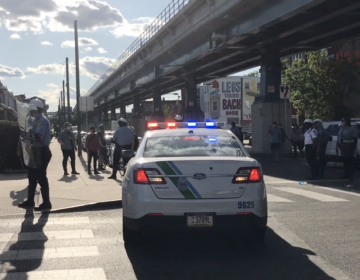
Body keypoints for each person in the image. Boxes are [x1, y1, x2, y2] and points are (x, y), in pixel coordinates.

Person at [18, 99, 52, 211]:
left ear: (35, 109)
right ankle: (30, 201)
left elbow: (38, 137)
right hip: (35, 151)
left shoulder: (42, 121)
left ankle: (46, 202)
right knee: (31, 177)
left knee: (41, 176)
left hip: (42, 151)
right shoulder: (34, 121)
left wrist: (26, 135)